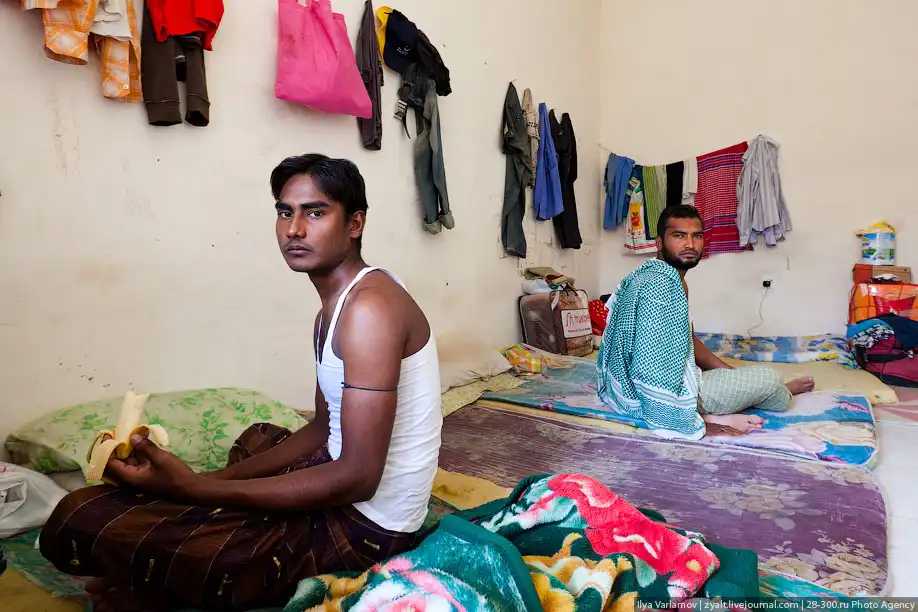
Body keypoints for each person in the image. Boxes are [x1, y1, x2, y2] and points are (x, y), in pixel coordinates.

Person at [40, 154, 443, 611]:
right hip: (339, 478)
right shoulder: (333, 309)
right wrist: (210, 479)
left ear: (355, 223)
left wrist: (196, 491)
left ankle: (162, 584)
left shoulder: (370, 311)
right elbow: (321, 426)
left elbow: (357, 478)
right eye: (284, 212)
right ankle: (161, 575)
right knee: (260, 440)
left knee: (80, 514)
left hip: (366, 528)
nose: (294, 229)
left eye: (315, 212)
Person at [596, 205, 813, 440]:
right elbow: (648, 367)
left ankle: (762, 392)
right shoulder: (659, 285)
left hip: (647, 383)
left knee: (751, 378)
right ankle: (777, 394)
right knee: (769, 379)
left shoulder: (665, 277)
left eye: (696, 236)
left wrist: (733, 376)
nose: (690, 244)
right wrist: (690, 423)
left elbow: (690, 341)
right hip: (647, 396)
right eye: (679, 236)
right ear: (659, 242)